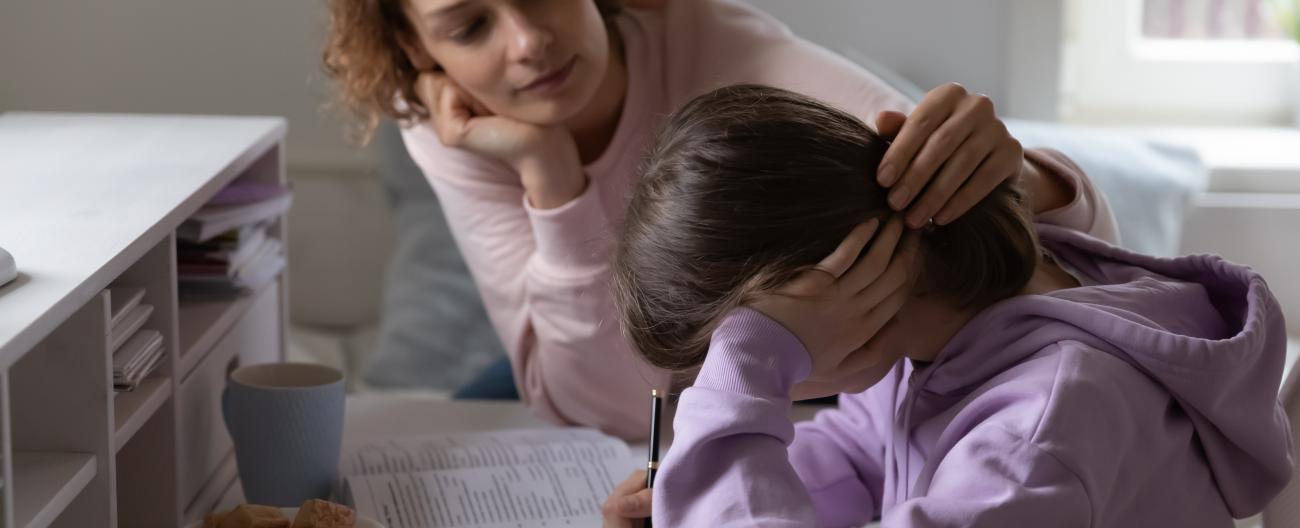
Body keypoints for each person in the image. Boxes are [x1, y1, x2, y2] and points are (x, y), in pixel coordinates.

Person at [324, 0, 1118, 440]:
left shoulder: (718, 45)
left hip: (800, 374)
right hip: (635, 370)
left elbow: (996, 244)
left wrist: (1025, 176)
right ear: (416, 46)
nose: (528, 41)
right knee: (443, 444)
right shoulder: (456, 127)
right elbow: (595, 406)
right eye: (470, 27)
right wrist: (550, 177)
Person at [601, 84, 1293, 527]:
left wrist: (743, 390)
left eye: (730, 355)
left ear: (820, 294)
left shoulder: (1038, 436)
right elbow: (863, 449)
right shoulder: (952, 321)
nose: (734, 381)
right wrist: (687, 494)